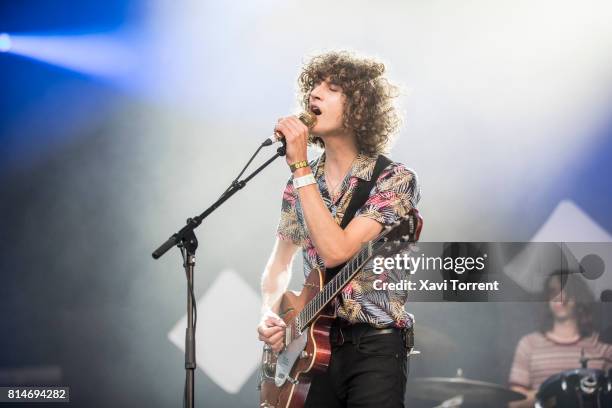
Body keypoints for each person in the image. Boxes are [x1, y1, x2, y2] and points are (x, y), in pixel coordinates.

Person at [256, 51, 420, 407]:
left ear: (360, 107)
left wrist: (298, 165)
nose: (314, 94)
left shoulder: (394, 179)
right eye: (313, 87)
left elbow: (337, 251)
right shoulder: (299, 184)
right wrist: (270, 315)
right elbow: (279, 266)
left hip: (374, 346)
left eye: (331, 88)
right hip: (311, 347)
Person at [508, 271, 612, 408]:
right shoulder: (529, 344)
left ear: (578, 296)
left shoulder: (601, 346)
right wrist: (554, 392)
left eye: (566, 291)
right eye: (553, 291)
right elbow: (514, 402)